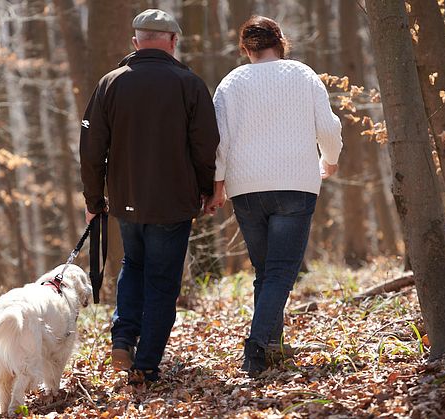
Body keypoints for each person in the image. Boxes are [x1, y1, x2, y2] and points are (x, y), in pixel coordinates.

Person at [79, 9, 220, 385]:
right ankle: (147, 362)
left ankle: (123, 337)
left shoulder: (110, 83)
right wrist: (208, 189)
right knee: (161, 280)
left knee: (134, 267)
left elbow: (91, 149)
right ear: (173, 42)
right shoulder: (189, 84)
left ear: (135, 42)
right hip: (173, 202)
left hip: (126, 199)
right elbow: (206, 147)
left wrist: (95, 201)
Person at [204, 16, 342, 377]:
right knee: (280, 272)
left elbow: (220, 140)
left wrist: (218, 184)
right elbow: (328, 126)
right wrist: (330, 160)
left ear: (245, 47)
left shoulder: (230, 83)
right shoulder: (303, 74)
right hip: (296, 182)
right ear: (281, 41)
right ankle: (256, 348)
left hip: (246, 188)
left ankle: (272, 347)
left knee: (267, 272)